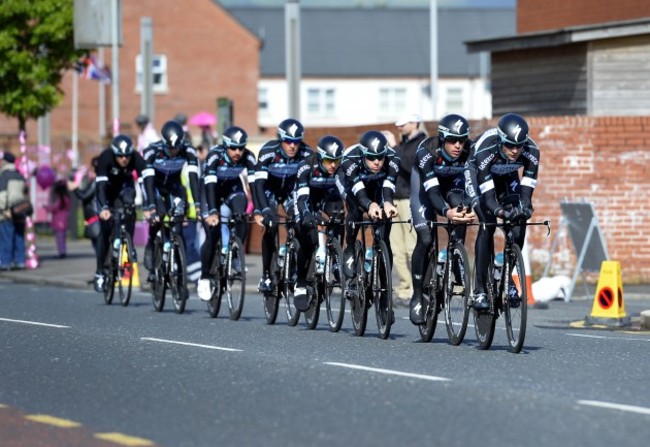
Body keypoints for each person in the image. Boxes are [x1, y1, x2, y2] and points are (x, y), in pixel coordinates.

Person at [464, 113, 539, 310]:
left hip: (507, 175)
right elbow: (489, 200)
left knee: (519, 224)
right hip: (478, 172)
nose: (515, 150)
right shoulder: (486, 149)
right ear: (500, 140)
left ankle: (508, 278)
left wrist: (524, 209)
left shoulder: (531, 150)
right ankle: (479, 289)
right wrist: (501, 213)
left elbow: (526, 193)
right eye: (509, 145)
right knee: (487, 223)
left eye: (519, 146)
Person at [408, 114, 476, 324]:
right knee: (426, 238)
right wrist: (446, 213)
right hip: (426, 189)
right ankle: (418, 294)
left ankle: (456, 256)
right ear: (442, 138)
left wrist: (471, 207)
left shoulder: (469, 151)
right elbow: (433, 193)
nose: (458, 145)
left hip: (452, 185)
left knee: (461, 207)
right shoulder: (427, 151)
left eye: (462, 140)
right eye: (452, 140)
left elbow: (473, 185)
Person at [253, 118, 312, 293]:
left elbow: (309, 185)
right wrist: (262, 210)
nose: (292, 146)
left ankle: (293, 262)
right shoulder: (268, 151)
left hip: (290, 192)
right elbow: (259, 185)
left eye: (296, 141)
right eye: (288, 141)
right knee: (270, 226)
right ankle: (265, 275)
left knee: (299, 221)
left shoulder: (307, 153)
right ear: (280, 139)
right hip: (270, 191)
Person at [197, 126, 257, 301]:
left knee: (241, 215)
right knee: (213, 232)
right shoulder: (214, 156)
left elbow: (254, 185)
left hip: (233, 188)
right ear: (225, 146)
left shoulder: (248, 156)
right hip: (210, 191)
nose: (238, 152)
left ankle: (236, 254)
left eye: (241, 148)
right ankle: (205, 276)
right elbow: (209, 186)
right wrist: (212, 211)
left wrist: (261, 209)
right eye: (233, 148)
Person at [142, 120, 201, 293]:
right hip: (155, 188)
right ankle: (152, 245)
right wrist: (151, 206)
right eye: (170, 148)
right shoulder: (152, 151)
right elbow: (148, 181)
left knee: (178, 224)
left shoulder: (188, 150)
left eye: (177, 148)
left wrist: (197, 205)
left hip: (174, 188)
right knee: (158, 216)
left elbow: (193, 178)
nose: (174, 152)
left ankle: (179, 268)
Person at [336, 130, 400, 282]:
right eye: (371, 158)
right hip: (351, 184)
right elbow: (360, 192)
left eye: (380, 157)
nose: (377, 162)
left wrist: (388, 203)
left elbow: (388, 186)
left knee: (385, 229)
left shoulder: (393, 158)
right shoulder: (350, 158)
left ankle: (385, 291)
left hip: (376, 185)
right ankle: (350, 248)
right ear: (363, 154)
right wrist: (370, 205)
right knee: (356, 209)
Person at [292, 135, 346, 311]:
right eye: (329, 161)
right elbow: (302, 198)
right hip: (307, 199)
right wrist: (307, 214)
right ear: (321, 157)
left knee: (339, 214)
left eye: (336, 161)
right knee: (308, 238)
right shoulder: (306, 165)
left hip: (327, 196)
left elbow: (346, 193)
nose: (333, 165)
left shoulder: (339, 169)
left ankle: (336, 259)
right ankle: (300, 283)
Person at [382, 113, 427, 306]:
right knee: (397, 249)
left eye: (404, 123)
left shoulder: (423, 143)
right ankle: (404, 289)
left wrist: (394, 147)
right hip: (395, 200)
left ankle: (417, 289)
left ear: (415, 123)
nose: (399, 127)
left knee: (411, 247)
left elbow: (409, 164)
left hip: (411, 199)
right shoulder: (404, 142)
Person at [93, 135, 147, 293]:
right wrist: (103, 208)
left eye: (127, 156)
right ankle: (100, 272)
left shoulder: (136, 157)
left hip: (125, 188)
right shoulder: (106, 157)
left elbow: (145, 184)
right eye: (120, 156)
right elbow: (100, 187)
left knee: (130, 207)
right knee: (105, 231)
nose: (124, 159)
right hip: (107, 191)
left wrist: (149, 206)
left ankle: (129, 244)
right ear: (114, 153)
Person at [0, 152, 27, 270]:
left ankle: (6, 262)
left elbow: (2, 195)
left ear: (5, 161)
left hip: (7, 211)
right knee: (19, 237)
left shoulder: (4, 175)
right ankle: (20, 261)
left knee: (6, 237)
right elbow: (25, 193)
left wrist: (2, 209)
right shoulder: (20, 175)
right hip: (20, 211)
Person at [68, 157, 100, 256]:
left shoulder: (96, 182)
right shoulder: (96, 181)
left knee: (100, 249)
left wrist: (75, 188)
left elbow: (84, 195)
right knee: (98, 248)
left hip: (96, 219)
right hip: (93, 219)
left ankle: (103, 269)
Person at [44, 179, 71, 259]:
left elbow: (54, 208)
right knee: (63, 238)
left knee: (59, 238)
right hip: (65, 220)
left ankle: (61, 252)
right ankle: (63, 251)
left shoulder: (60, 199)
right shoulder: (67, 198)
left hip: (58, 221)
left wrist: (46, 208)